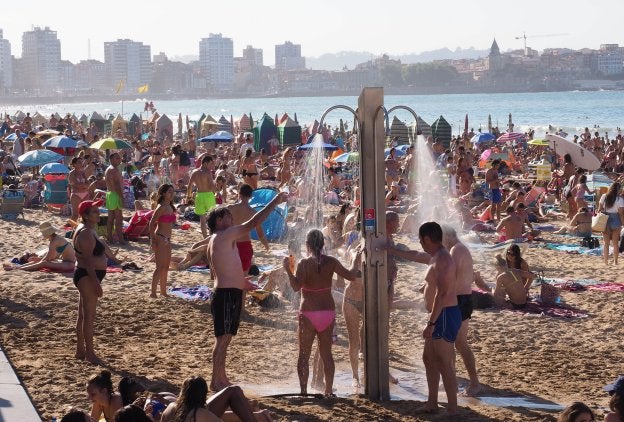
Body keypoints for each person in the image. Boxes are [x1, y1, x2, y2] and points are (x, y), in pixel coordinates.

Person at [205, 192, 287, 391]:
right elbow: (253, 222)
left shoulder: (218, 239)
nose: (233, 219)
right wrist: (274, 201)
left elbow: (221, 268)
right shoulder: (224, 235)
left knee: (225, 339)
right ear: (219, 220)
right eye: (228, 216)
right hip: (225, 294)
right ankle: (216, 380)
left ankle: (221, 378)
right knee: (223, 340)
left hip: (228, 292)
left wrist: (241, 281)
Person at [283, 229, 361, 397]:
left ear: (308, 245)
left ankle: (303, 392)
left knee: (304, 354)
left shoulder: (304, 263)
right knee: (327, 354)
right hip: (327, 313)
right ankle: (328, 391)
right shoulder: (331, 262)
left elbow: (296, 287)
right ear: (323, 244)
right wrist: (355, 260)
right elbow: (351, 275)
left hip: (308, 314)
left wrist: (288, 270)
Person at [441, 225, 485, 396]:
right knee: (453, 342)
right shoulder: (459, 249)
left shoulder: (456, 250)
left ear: (449, 236)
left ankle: (474, 383)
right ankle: (452, 381)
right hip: (461, 299)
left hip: (460, 300)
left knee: (458, 343)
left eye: (443, 238)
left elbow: (449, 276)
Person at [73, 200, 110, 364]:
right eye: (94, 211)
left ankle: (80, 350)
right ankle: (90, 354)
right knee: (89, 317)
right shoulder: (87, 233)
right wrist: (96, 283)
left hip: (85, 275)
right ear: (86, 216)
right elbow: (87, 261)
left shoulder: (86, 229)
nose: (98, 213)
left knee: (82, 315)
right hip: (88, 276)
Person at [160, 376, 271, 422]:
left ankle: (258, 414)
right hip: (196, 415)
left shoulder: (170, 408)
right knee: (234, 390)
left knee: (233, 390)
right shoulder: (201, 413)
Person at [226, 184, 270, 274]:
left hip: (231, 243)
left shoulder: (230, 208)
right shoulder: (253, 213)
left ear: (239, 194)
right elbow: (260, 234)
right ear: (251, 196)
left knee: (230, 273)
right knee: (244, 275)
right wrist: (266, 246)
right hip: (245, 244)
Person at [3, 221, 75, 272]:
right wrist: (37, 260)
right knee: (39, 262)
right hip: (66, 262)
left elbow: (47, 259)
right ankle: (17, 267)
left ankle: (17, 268)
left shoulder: (54, 241)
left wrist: (38, 260)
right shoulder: (57, 238)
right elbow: (51, 257)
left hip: (70, 264)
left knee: (42, 263)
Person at [148, 184, 176, 298]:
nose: (172, 193)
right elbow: (151, 223)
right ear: (163, 193)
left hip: (167, 239)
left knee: (165, 267)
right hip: (160, 238)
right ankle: (153, 292)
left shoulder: (170, 206)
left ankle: (163, 292)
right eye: (169, 191)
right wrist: (152, 240)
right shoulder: (161, 207)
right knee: (159, 267)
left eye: (172, 191)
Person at [493, 244, 534, 309]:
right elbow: (531, 276)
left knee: (497, 292)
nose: (509, 256)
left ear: (516, 255)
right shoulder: (512, 267)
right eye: (508, 253)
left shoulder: (522, 263)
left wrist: (525, 288)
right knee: (501, 286)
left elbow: (527, 277)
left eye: (512, 254)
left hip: (520, 285)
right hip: (523, 300)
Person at [187, 155, 217, 238]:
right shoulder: (208, 172)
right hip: (208, 195)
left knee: (202, 220)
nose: (212, 166)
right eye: (211, 164)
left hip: (199, 195)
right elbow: (211, 185)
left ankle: (204, 237)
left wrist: (188, 197)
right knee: (212, 217)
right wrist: (216, 191)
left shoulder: (194, 172)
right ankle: (211, 236)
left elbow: (189, 186)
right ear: (205, 163)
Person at [597, 182, 624, 265]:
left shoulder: (604, 196)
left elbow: (599, 209)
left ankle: (606, 262)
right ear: (618, 189)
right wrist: (622, 223)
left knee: (606, 243)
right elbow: (621, 213)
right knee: (615, 243)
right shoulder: (620, 199)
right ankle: (615, 262)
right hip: (616, 220)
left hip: (605, 220)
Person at [105, 152, 126, 244]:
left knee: (110, 218)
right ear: (111, 159)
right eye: (117, 158)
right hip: (115, 194)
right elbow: (117, 185)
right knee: (118, 218)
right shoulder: (114, 170)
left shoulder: (108, 169)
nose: (119, 159)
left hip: (109, 194)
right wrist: (122, 197)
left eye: (119, 158)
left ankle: (110, 238)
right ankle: (121, 239)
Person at [69, 157, 90, 222]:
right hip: (76, 195)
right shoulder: (72, 173)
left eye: (81, 162)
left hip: (85, 194)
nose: (81, 163)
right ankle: (70, 228)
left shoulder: (82, 172)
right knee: (75, 215)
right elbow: (76, 185)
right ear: (74, 164)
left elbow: (88, 183)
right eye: (79, 162)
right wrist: (84, 186)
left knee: (85, 214)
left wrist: (83, 185)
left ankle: (82, 228)